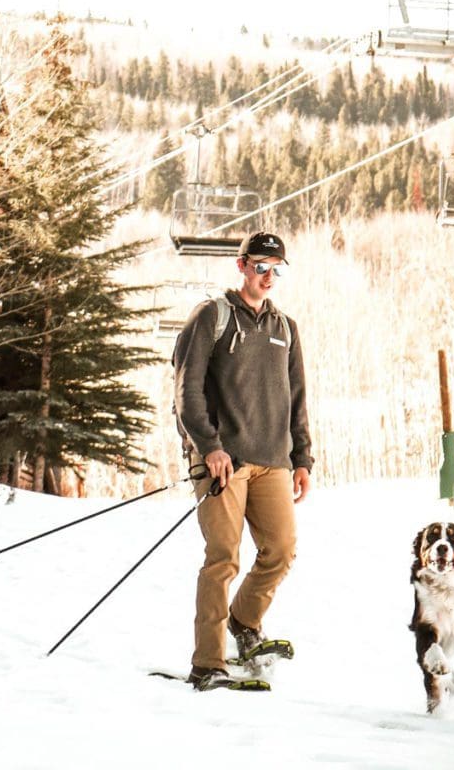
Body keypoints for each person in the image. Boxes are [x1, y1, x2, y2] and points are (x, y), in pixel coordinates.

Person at [172, 231, 313, 690]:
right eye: (260, 267)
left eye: (276, 269)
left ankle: (245, 621)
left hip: (272, 461)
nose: (268, 276)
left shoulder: (285, 328)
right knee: (223, 559)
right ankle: (208, 663)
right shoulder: (213, 317)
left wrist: (303, 458)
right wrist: (208, 446)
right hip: (222, 462)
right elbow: (187, 390)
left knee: (281, 550)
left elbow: (297, 398)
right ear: (242, 266)